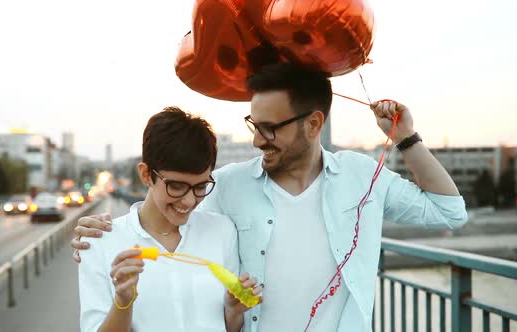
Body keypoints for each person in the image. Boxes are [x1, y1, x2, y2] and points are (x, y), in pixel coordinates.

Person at [73, 62, 468, 332]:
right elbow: (169, 212)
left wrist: (405, 138)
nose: (256, 139)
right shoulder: (226, 184)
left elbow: (450, 213)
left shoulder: (363, 175)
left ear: (313, 124)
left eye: (268, 127)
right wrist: (107, 231)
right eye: (253, 124)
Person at [78, 107, 261, 332]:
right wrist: (123, 302)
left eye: (200, 187)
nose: (188, 201)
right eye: (176, 186)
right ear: (146, 175)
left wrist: (233, 311)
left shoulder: (223, 231)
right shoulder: (101, 242)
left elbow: (229, 327)